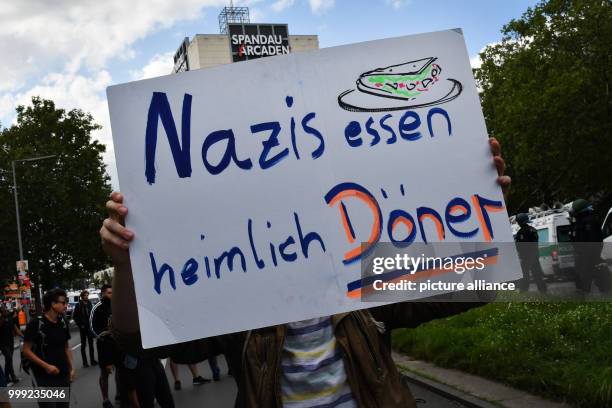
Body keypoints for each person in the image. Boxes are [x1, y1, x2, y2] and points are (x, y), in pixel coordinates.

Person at [100, 138, 511, 407]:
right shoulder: (235, 300)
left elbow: (471, 287)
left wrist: (482, 212)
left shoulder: (362, 281)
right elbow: (142, 342)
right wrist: (124, 268)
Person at [22, 288, 75, 408]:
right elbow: (26, 350)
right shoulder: (36, 323)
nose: (65, 305)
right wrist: (46, 366)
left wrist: (72, 367)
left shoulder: (63, 322)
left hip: (62, 374)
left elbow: (66, 347)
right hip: (42, 377)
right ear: (53, 304)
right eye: (63, 302)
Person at [570, 198, 609, 294]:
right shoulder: (579, 222)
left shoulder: (589, 221)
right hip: (583, 258)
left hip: (590, 258)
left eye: (574, 209)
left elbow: (594, 241)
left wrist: (592, 258)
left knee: (603, 284)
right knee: (582, 286)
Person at [90, 285, 117, 408]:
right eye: (109, 293)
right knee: (105, 372)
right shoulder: (96, 308)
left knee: (121, 369)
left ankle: (120, 392)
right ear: (103, 294)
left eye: (112, 292)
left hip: (118, 343)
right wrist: (101, 335)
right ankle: (105, 399)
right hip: (104, 345)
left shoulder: (116, 305)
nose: (111, 295)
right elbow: (91, 326)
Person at [514, 213, 547, 293]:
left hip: (526, 257)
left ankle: (523, 291)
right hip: (534, 256)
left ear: (519, 222)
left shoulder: (521, 232)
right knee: (537, 275)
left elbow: (521, 246)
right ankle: (543, 291)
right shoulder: (533, 229)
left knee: (525, 275)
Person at [73, 290, 97, 367]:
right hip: (83, 328)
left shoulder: (90, 304)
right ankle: (85, 362)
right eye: (85, 295)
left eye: (87, 295)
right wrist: (80, 325)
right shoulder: (78, 305)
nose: (86, 297)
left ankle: (92, 360)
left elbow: (92, 314)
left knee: (91, 344)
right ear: (82, 296)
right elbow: (75, 317)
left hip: (89, 327)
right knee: (83, 345)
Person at [0, 306, 23, 383]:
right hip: (3, 344)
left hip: (10, 342)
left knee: (8, 361)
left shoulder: (10, 319)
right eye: (3, 310)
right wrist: (2, 318)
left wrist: (23, 336)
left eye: (6, 309)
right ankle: (12, 377)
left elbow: (16, 329)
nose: (5, 310)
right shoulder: (1, 320)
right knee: (9, 358)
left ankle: (7, 378)